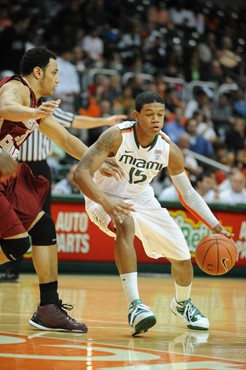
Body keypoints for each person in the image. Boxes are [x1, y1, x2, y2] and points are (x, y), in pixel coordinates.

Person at [73, 91, 233, 336]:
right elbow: (81, 173)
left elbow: (188, 194)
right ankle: (135, 306)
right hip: (103, 197)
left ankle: (182, 304)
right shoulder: (116, 137)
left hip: (142, 198)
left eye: (160, 114)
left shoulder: (168, 148)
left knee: (181, 255)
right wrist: (107, 203)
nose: (156, 119)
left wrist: (215, 225)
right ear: (137, 116)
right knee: (125, 222)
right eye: (149, 114)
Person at [0, 46, 120, 332]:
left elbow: (66, 140)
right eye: (54, 73)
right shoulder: (17, 88)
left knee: (43, 229)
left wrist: (96, 162)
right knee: (17, 243)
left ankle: (48, 309)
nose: (58, 80)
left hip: (8, 174)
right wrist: (33, 111)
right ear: (37, 72)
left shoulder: (36, 103)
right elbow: (5, 107)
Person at [0, 107, 126, 282]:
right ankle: (10, 269)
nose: (56, 81)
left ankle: (40, 278)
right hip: (10, 165)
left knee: (42, 224)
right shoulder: (10, 106)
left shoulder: (44, 109)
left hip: (37, 168)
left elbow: (74, 121)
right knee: (10, 221)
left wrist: (105, 121)